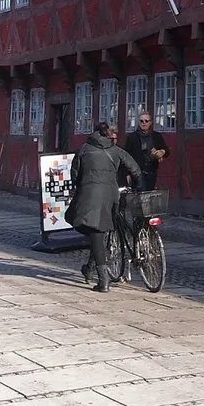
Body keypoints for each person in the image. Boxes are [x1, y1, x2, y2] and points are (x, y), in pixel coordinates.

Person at [65, 122, 142, 292]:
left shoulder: (84, 149)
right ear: (108, 135)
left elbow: (75, 174)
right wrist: (139, 185)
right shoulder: (115, 150)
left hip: (90, 195)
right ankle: (90, 269)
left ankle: (103, 281)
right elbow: (135, 168)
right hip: (111, 195)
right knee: (98, 233)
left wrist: (79, 187)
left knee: (91, 230)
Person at [121, 112, 168, 193]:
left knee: (149, 195)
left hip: (151, 172)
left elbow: (167, 151)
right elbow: (126, 156)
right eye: (141, 121)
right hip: (137, 172)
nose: (144, 123)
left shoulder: (156, 136)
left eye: (146, 121)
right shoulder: (132, 137)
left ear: (150, 122)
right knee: (141, 195)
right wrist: (127, 173)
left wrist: (161, 151)